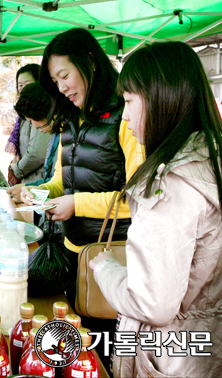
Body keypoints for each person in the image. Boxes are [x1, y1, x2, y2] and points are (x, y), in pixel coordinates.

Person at [90, 42, 222, 378]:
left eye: (130, 101)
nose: (126, 116)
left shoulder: (173, 182)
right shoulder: (211, 158)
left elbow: (152, 303)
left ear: (161, 97)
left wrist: (105, 269)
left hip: (170, 356)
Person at [18, 28, 142, 371]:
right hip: (72, 254)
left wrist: (77, 204)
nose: (62, 88)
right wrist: (39, 194)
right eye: (55, 82)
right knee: (73, 350)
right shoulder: (71, 119)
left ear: (89, 61)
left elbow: (138, 199)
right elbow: (63, 178)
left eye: (64, 76)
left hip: (114, 259)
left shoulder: (126, 115)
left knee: (103, 356)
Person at [7, 82, 59, 200]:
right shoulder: (55, 135)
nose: (34, 127)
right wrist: (28, 187)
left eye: (31, 121)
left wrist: (30, 188)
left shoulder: (64, 136)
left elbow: (60, 182)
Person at [5, 64, 51, 185]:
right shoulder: (23, 115)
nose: (23, 88)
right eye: (20, 85)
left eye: (27, 83)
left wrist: (17, 169)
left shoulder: (39, 112)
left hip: (38, 180)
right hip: (30, 180)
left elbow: (36, 153)